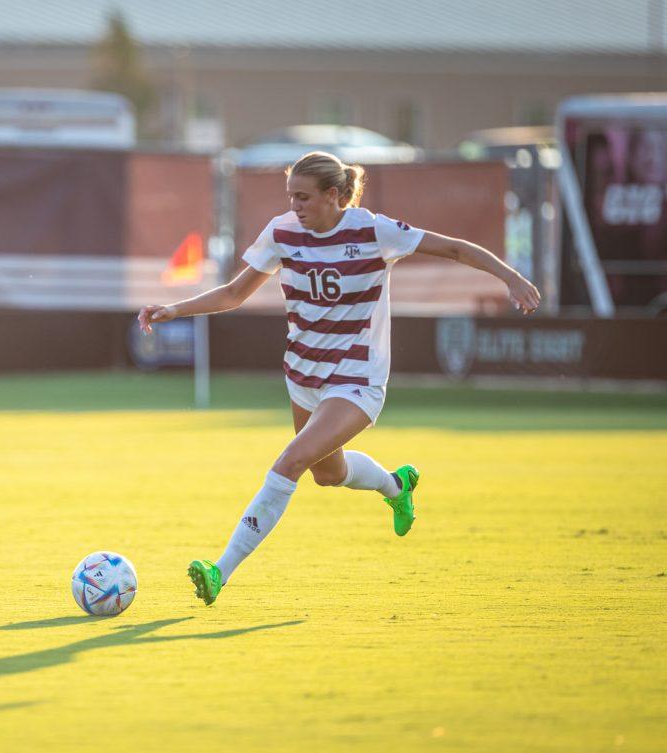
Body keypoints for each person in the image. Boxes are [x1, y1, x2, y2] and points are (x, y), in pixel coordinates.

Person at [136, 151, 541, 606]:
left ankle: (219, 571)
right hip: (303, 374)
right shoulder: (283, 232)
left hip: (356, 379)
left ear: (334, 195)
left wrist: (512, 278)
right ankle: (397, 485)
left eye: (304, 197)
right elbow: (234, 293)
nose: (296, 207)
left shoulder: (372, 230)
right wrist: (175, 309)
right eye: (291, 197)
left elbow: (454, 247)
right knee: (327, 474)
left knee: (289, 461)